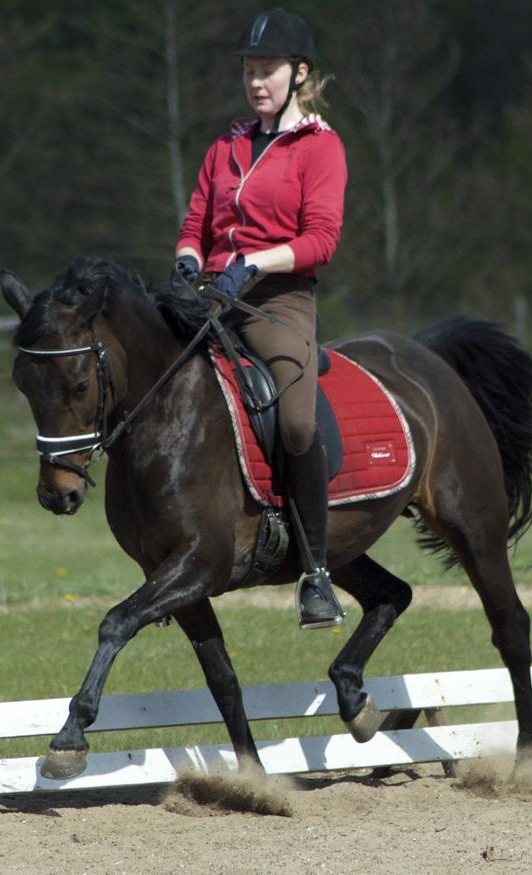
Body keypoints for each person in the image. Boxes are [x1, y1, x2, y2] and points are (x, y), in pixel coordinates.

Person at [173, 8, 348, 630]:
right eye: (249, 70)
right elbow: (195, 224)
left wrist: (251, 262)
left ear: (299, 73)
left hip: (276, 301)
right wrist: (187, 260)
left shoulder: (320, 147)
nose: (256, 81)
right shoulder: (225, 145)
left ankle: (317, 575)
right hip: (211, 296)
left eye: (267, 70)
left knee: (297, 421)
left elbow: (320, 240)